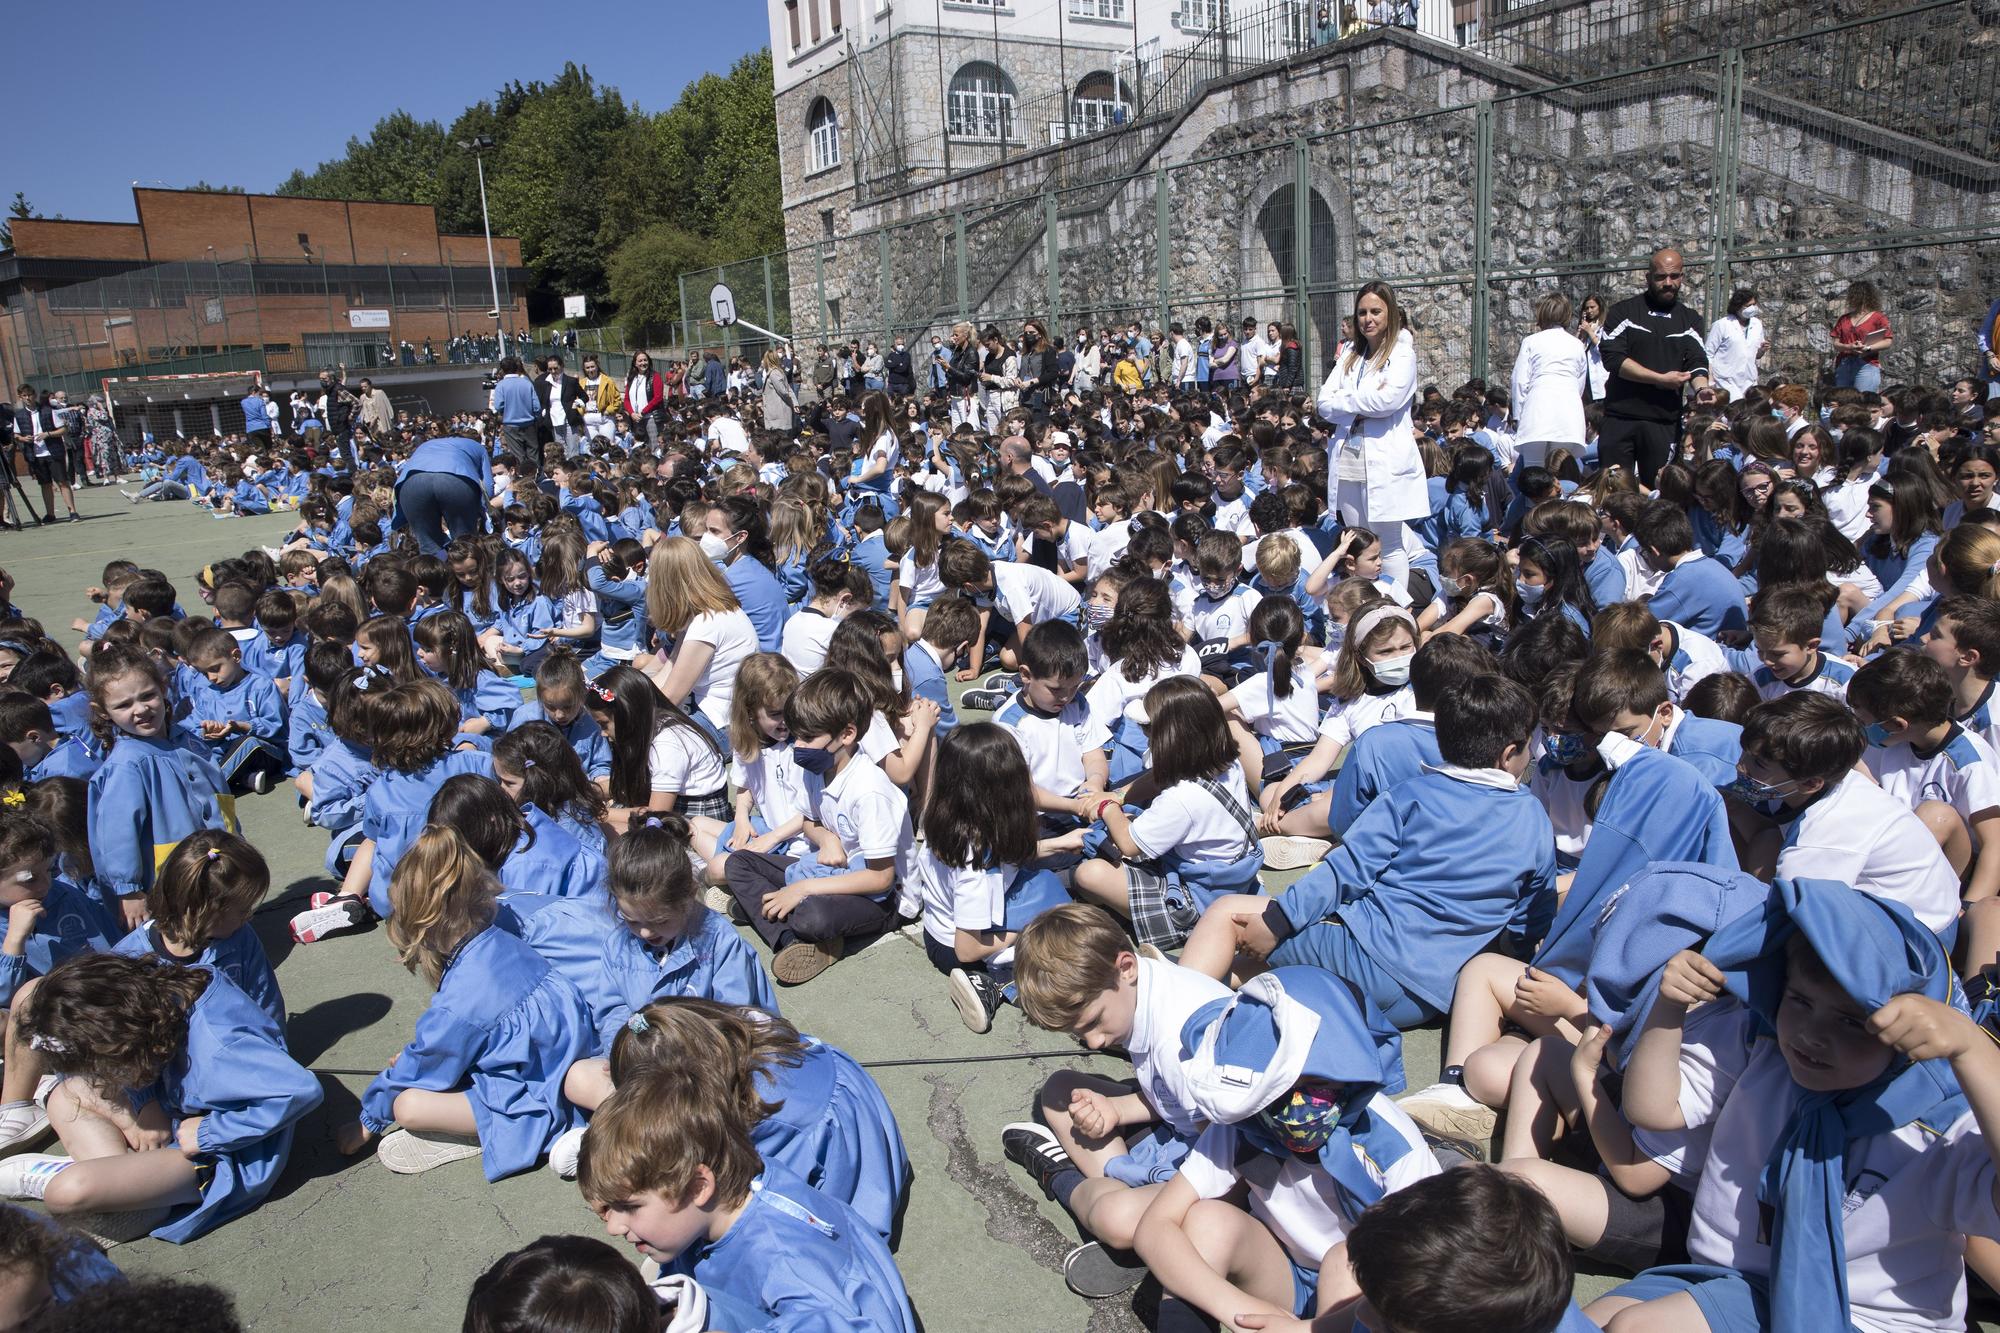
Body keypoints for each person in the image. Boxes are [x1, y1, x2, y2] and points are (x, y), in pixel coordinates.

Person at [0, 953, 321, 1245]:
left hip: (221, 1155)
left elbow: (301, 1090)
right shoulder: (155, 994)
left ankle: (109, 1188)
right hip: (170, 1110)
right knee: (66, 1096)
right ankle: (134, 1192)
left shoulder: (219, 1048)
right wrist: (144, 1104)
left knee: (66, 1192)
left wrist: (210, 1132)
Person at [577, 1066, 919, 1333]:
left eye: (630, 1206)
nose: (614, 1227)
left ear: (699, 1186)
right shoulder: (738, 1184)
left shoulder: (781, 1258)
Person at [340, 825, 592, 1178]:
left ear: (423, 924)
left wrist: (368, 1120)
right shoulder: (504, 942)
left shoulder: (461, 999)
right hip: (566, 1071)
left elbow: (425, 1060)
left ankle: (484, 1135)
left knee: (408, 1105)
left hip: (537, 1102)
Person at [1315, 282, 1426, 592]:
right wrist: (1361, 401)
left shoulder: (1402, 353)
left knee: (1387, 542)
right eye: (1362, 312)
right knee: (1357, 537)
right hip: (1350, 457)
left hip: (1385, 458)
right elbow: (1324, 402)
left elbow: (1387, 401)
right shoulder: (1351, 353)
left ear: (1390, 314)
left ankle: (1394, 603)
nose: (1368, 319)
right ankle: (1364, 599)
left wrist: (1347, 400)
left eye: (1376, 311)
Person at [1598, 248, 1710, 485]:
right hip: (1621, 419)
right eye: (1661, 277)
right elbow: (1613, 359)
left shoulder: (1690, 319)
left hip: (1664, 422)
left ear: (1682, 277)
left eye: (1674, 276)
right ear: (1648, 277)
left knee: (1661, 491)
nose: (1668, 283)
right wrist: (1659, 379)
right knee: (1613, 490)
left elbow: (1697, 362)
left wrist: (1702, 389)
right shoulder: (1624, 312)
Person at [1510, 292, 1589, 471]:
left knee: (1533, 472)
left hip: (1537, 411)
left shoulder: (1531, 341)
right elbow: (1579, 384)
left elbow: (1520, 381)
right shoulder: (1577, 345)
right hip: (1568, 413)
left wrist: (1519, 415)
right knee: (1560, 469)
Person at [1832, 278, 1893, 392]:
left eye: (1856, 295)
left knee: (1863, 401)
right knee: (1843, 400)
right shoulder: (1844, 319)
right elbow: (1836, 343)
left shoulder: (1878, 318)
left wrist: (1867, 348)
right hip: (1844, 363)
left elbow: (1887, 341)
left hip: (1867, 363)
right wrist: (1849, 347)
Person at [1703, 287, 1765, 400]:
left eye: (1754, 304)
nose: (1751, 308)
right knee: (1733, 411)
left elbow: (1756, 354)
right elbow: (1708, 353)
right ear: (1737, 306)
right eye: (1747, 306)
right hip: (1726, 379)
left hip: (1749, 379)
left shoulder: (1757, 324)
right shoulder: (1722, 325)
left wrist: (1762, 350)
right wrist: (1710, 378)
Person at [490, 356, 544, 475]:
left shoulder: (501, 385)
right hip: (529, 423)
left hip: (510, 424)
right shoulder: (526, 383)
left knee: (518, 455)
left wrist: (508, 410)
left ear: (503, 370)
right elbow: (536, 406)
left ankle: (523, 478)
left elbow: (498, 406)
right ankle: (537, 476)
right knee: (533, 453)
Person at [759, 349, 796, 438]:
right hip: (777, 413)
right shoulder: (774, 372)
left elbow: (783, 391)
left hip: (778, 414)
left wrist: (793, 403)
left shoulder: (774, 373)